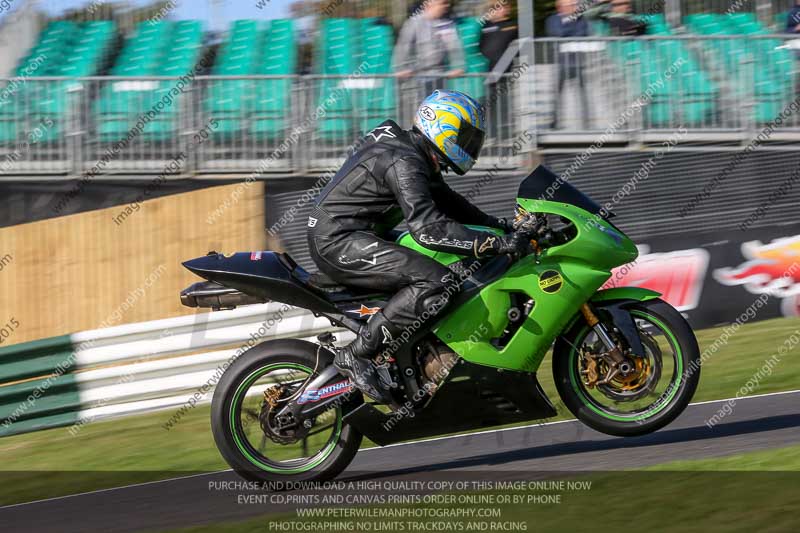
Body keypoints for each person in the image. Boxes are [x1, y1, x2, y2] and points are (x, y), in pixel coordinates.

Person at [307, 90, 528, 402]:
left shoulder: (415, 151)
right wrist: (495, 244)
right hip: (339, 242)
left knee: (440, 265)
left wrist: (502, 227)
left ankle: (414, 355)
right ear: (444, 127)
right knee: (437, 282)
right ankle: (356, 354)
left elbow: (451, 204)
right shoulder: (405, 160)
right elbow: (428, 229)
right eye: (465, 135)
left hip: (356, 233)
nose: (471, 144)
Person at [393, 0, 465, 95]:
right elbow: (403, 46)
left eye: (446, 3)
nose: (446, 6)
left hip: (439, 77)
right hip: (416, 79)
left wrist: (458, 66)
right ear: (430, 4)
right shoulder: (414, 23)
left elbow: (454, 47)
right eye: (442, 3)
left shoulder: (446, 24)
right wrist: (401, 68)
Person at [546, 0, 591, 129]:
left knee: (583, 94)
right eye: (569, 5)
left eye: (573, 5)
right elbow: (557, 33)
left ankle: (586, 123)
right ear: (559, 7)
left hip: (578, 62)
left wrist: (567, 31)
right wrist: (571, 31)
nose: (573, 7)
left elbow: (584, 33)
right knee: (557, 95)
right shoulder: (552, 19)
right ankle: (554, 122)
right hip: (560, 63)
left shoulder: (581, 19)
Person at [479, 0, 518, 142]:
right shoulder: (485, 26)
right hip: (487, 72)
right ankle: (489, 134)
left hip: (505, 73)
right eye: (497, 7)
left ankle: (504, 134)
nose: (501, 10)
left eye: (504, 7)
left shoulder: (513, 25)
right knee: (488, 106)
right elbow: (480, 46)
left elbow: (518, 48)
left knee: (503, 105)